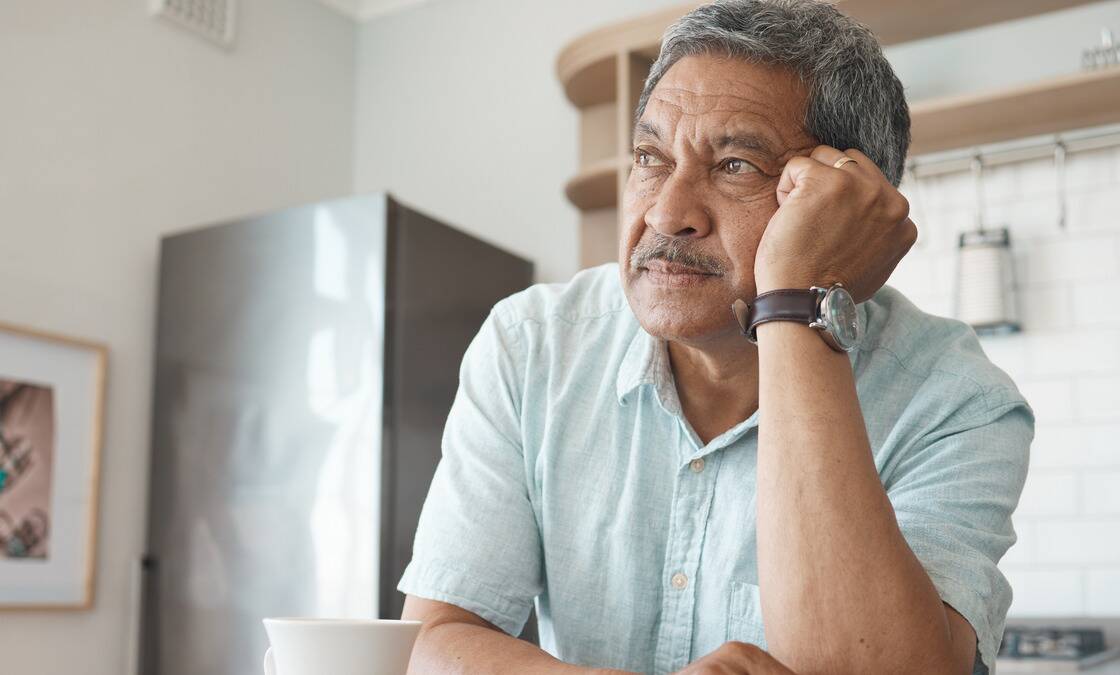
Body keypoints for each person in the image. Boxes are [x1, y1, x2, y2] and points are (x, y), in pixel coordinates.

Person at [398, 1, 1033, 674]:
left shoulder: (957, 399)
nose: (668, 212)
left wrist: (798, 299)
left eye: (736, 165)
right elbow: (435, 641)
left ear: (844, 207)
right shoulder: (533, 345)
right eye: (650, 156)